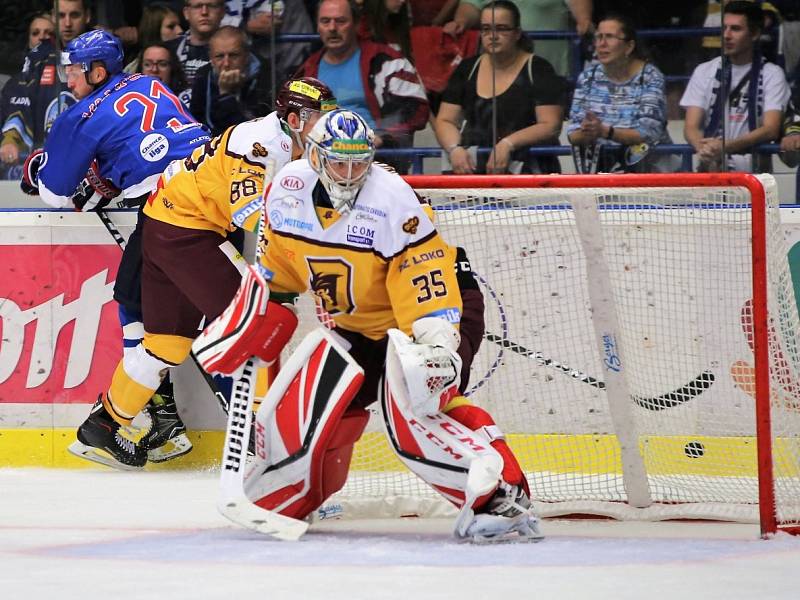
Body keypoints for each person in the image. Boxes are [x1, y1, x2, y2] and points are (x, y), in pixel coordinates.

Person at [193, 108, 541, 543]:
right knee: (306, 411)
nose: (351, 172)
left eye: (360, 162)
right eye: (340, 161)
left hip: (431, 312)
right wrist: (252, 319)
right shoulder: (286, 189)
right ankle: (294, 496)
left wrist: (436, 346)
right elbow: (276, 275)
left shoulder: (391, 197)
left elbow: (425, 279)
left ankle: (502, 499)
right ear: (316, 157)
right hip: (358, 324)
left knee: (416, 403)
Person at [68, 77, 337, 469]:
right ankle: (262, 449)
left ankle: (102, 428)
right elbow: (252, 217)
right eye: (319, 116)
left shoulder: (295, 143)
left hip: (169, 223)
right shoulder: (260, 145)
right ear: (294, 118)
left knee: (166, 344)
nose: (327, 123)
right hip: (185, 231)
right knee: (256, 323)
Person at [19, 29, 213, 468]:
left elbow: (53, 193)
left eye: (74, 70)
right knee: (142, 303)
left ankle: (141, 417)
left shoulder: (81, 116)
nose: (68, 79)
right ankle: (161, 418)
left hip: (174, 207)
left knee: (141, 306)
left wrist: (44, 170)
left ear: (98, 70)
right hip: (212, 183)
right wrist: (110, 175)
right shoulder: (151, 83)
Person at [295, 0, 429, 173]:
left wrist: (382, 137)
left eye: (341, 21)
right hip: (320, 166)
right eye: (325, 21)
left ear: (356, 24)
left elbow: (416, 109)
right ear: (318, 26)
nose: (332, 28)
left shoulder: (387, 62)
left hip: (378, 163)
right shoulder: (307, 71)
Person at [434, 0, 565, 174]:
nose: (493, 35)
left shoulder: (539, 68)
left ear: (517, 33)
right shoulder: (466, 68)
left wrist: (508, 143)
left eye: (502, 28)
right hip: (473, 173)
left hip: (529, 172)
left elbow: (551, 125)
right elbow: (445, 120)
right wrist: (454, 149)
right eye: (486, 29)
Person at [682, 1, 790, 173]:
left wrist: (724, 147)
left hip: (753, 176)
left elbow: (771, 128)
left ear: (754, 34)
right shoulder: (703, 71)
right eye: (724, 28)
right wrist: (705, 149)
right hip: (711, 172)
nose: (726, 35)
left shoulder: (772, 74)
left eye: (735, 29)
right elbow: (690, 126)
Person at [567, 14, 677, 173]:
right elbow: (573, 135)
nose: (602, 44)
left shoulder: (650, 77)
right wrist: (587, 131)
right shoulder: (587, 78)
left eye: (610, 37)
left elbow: (649, 133)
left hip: (647, 169)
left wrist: (605, 131)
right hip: (600, 172)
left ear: (629, 46)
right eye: (599, 37)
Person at [0, 0, 91, 169]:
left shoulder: (100, 51)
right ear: (53, 17)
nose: (68, 23)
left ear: (87, 16)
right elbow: (20, 97)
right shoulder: (38, 57)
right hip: (46, 162)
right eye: (61, 16)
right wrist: (11, 138)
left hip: (90, 159)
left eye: (75, 15)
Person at [444, 0, 594, 77]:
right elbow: (471, 6)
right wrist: (461, 22)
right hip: (500, 73)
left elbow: (580, 6)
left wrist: (583, 19)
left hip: (552, 72)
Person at [189, 26, 272, 135]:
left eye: (233, 55)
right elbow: (196, 123)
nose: (226, 63)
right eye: (219, 56)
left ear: (247, 55)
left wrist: (226, 95)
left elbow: (250, 131)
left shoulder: (267, 75)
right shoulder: (203, 76)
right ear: (211, 58)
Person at [0, 12, 55, 173]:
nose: (42, 38)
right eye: (35, 33)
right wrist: (7, 141)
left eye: (48, 33)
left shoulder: (70, 82)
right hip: (15, 171)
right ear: (29, 40)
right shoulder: (13, 84)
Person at [167, 0, 226, 88]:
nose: (204, 12)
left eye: (212, 6)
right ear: (186, 13)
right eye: (198, 6)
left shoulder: (234, 52)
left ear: (222, 12)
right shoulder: (168, 50)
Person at [123, 4, 185, 73]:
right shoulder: (133, 71)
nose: (180, 31)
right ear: (155, 30)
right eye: (171, 27)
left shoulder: (184, 59)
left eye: (179, 25)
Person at [137, 43, 191, 108]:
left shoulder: (184, 99)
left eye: (162, 64)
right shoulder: (129, 97)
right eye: (148, 64)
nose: (154, 70)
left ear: (172, 69)